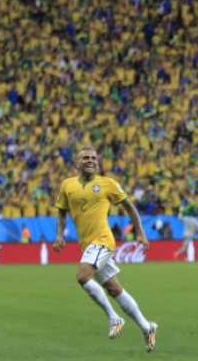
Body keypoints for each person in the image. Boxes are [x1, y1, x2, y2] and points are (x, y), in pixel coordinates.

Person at [53, 145, 157, 352]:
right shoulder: (67, 185)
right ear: (77, 163)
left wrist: (141, 232)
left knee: (82, 277)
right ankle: (147, 327)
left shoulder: (107, 184)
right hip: (87, 245)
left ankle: (114, 318)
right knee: (114, 289)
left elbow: (130, 207)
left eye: (94, 158)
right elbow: (62, 213)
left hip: (103, 240)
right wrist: (59, 235)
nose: (91, 160)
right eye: (86, 158)